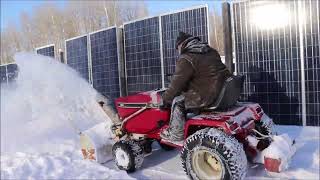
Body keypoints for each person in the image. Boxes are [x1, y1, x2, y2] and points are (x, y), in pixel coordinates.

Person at [160, 31, 232, 143]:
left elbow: (176, 86)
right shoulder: (211, 51)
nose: (178, 51)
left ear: (181, 45)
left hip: (207, 96)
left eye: (177, 48)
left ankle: (176, 134)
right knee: (184, 93)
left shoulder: (186, 58)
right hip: (221, 91)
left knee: (177, 100)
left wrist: (165, 100)